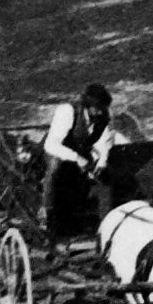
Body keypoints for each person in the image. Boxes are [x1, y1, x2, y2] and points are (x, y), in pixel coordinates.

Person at [37, 82, 113, 243]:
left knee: (104, 179)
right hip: (57, 151)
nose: (100, 112)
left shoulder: (102, 116)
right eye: (97, 108)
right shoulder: (67, 112)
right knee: (55, 169)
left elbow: (104, 142)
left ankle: (105, 226)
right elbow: (51, 145)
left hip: (81, 151)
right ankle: (47, 215)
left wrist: (101, 163)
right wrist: (76, 158)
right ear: (88, 106)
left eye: (102, 108)